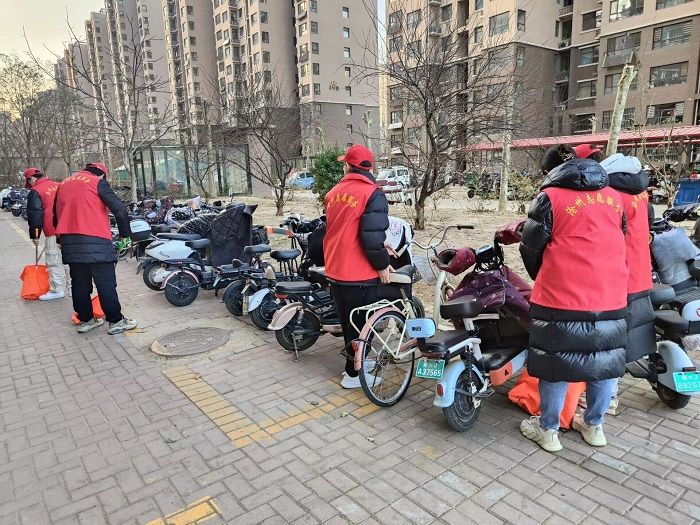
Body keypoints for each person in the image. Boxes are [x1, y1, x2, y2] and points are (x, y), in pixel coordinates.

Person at [519, 145, 628, 452]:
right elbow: (620, 236)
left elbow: (530, 248)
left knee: (555, 366)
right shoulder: (614, 197)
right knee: (604, 363)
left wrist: (547, 274)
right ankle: (594, 427)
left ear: (553, 170)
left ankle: (548, 431)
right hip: (610, 294)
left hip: (560, 297)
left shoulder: (549, 197)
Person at [323, 144, 392, 389]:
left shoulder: (333, 193)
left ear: (348, 166)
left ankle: (356, 364)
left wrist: (381, 246)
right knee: (362, 325)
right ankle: (353, 374)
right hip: (359, 272)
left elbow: (347, 229)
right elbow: (371, 238)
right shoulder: (372, 193)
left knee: (348, 323)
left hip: (335, 268)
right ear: (369, 167)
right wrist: (382, 264)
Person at [54, 162, 138, 335]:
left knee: (79, 284)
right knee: (106, 284)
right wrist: (125, 235)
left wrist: (60, 239)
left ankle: (86, 320)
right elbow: (120, 210)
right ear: (101, 174)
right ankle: (115, 321)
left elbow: (56, 215)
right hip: (96, 240)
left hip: (70, 241)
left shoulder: (63, 184)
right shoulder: (97, 182)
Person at [600, 153, 655, 361]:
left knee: (614, 338)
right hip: (641, 270)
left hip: (619, 274)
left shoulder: (611, 196)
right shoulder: (641, 192)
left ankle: (613, 380)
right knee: (633, 332)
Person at [24, 168, 68, 300]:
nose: (30, 185)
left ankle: (57, 289)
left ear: (32, 179)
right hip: (69, 229)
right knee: (69, 259)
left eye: (29, 182)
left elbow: (35, 215)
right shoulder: (59, 185)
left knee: (53, 260)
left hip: (52, 230)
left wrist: (35, 236)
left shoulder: (36, 191)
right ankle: (73, 287)